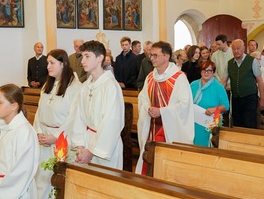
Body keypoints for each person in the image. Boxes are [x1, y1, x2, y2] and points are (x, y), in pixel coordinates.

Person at [34, 49, 81, 199]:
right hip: (44, 138)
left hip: (59, 140)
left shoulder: (74, 87)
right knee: (41, 179)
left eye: (52, 63)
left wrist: (56, 137)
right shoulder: (48, 84)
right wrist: (38, 132)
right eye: (47, 63)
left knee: (54, 181)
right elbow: (39, 111)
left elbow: (74, 117)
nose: (48, 66)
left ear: (63, 64)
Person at [135, 41, 194, 175]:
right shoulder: (150, 77)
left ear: (166, 57)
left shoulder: (178, 78)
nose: (152, 58)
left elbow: (185, 104)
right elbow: (142, 97)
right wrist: (147, 108)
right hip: (151, 127)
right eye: (151, 55)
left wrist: (161, 112)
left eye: (155, 55)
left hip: (169, 129)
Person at [68, 40, 124, 169]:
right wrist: (80, 145)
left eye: (87, 56)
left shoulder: (110, 86)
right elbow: (79, 117)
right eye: (82, 56)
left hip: (104, 146)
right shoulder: (85, 86)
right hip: (86, 142)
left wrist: (93, 151)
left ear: (100, 58)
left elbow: (113, 122)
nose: (82, 61)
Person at [223, 39, 264, 128]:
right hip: (236, 98)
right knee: (237, 124)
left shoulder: (252, 61)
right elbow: (224, 81)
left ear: (244, 48)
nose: (236, 51)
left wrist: (262, 99)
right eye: (234, 49)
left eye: (238, 48)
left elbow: (260, 80)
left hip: (250, 98)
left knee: (249, 124)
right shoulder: (229, 63)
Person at [191, 60, 229, 146]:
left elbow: (226, 106)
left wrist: (214, 109)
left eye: (209, 71)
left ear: (213, 73)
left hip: (211, 121)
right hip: (194, 121)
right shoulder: (193, 84)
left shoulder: (218, 87)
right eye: (204, 70)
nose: (206, 73)